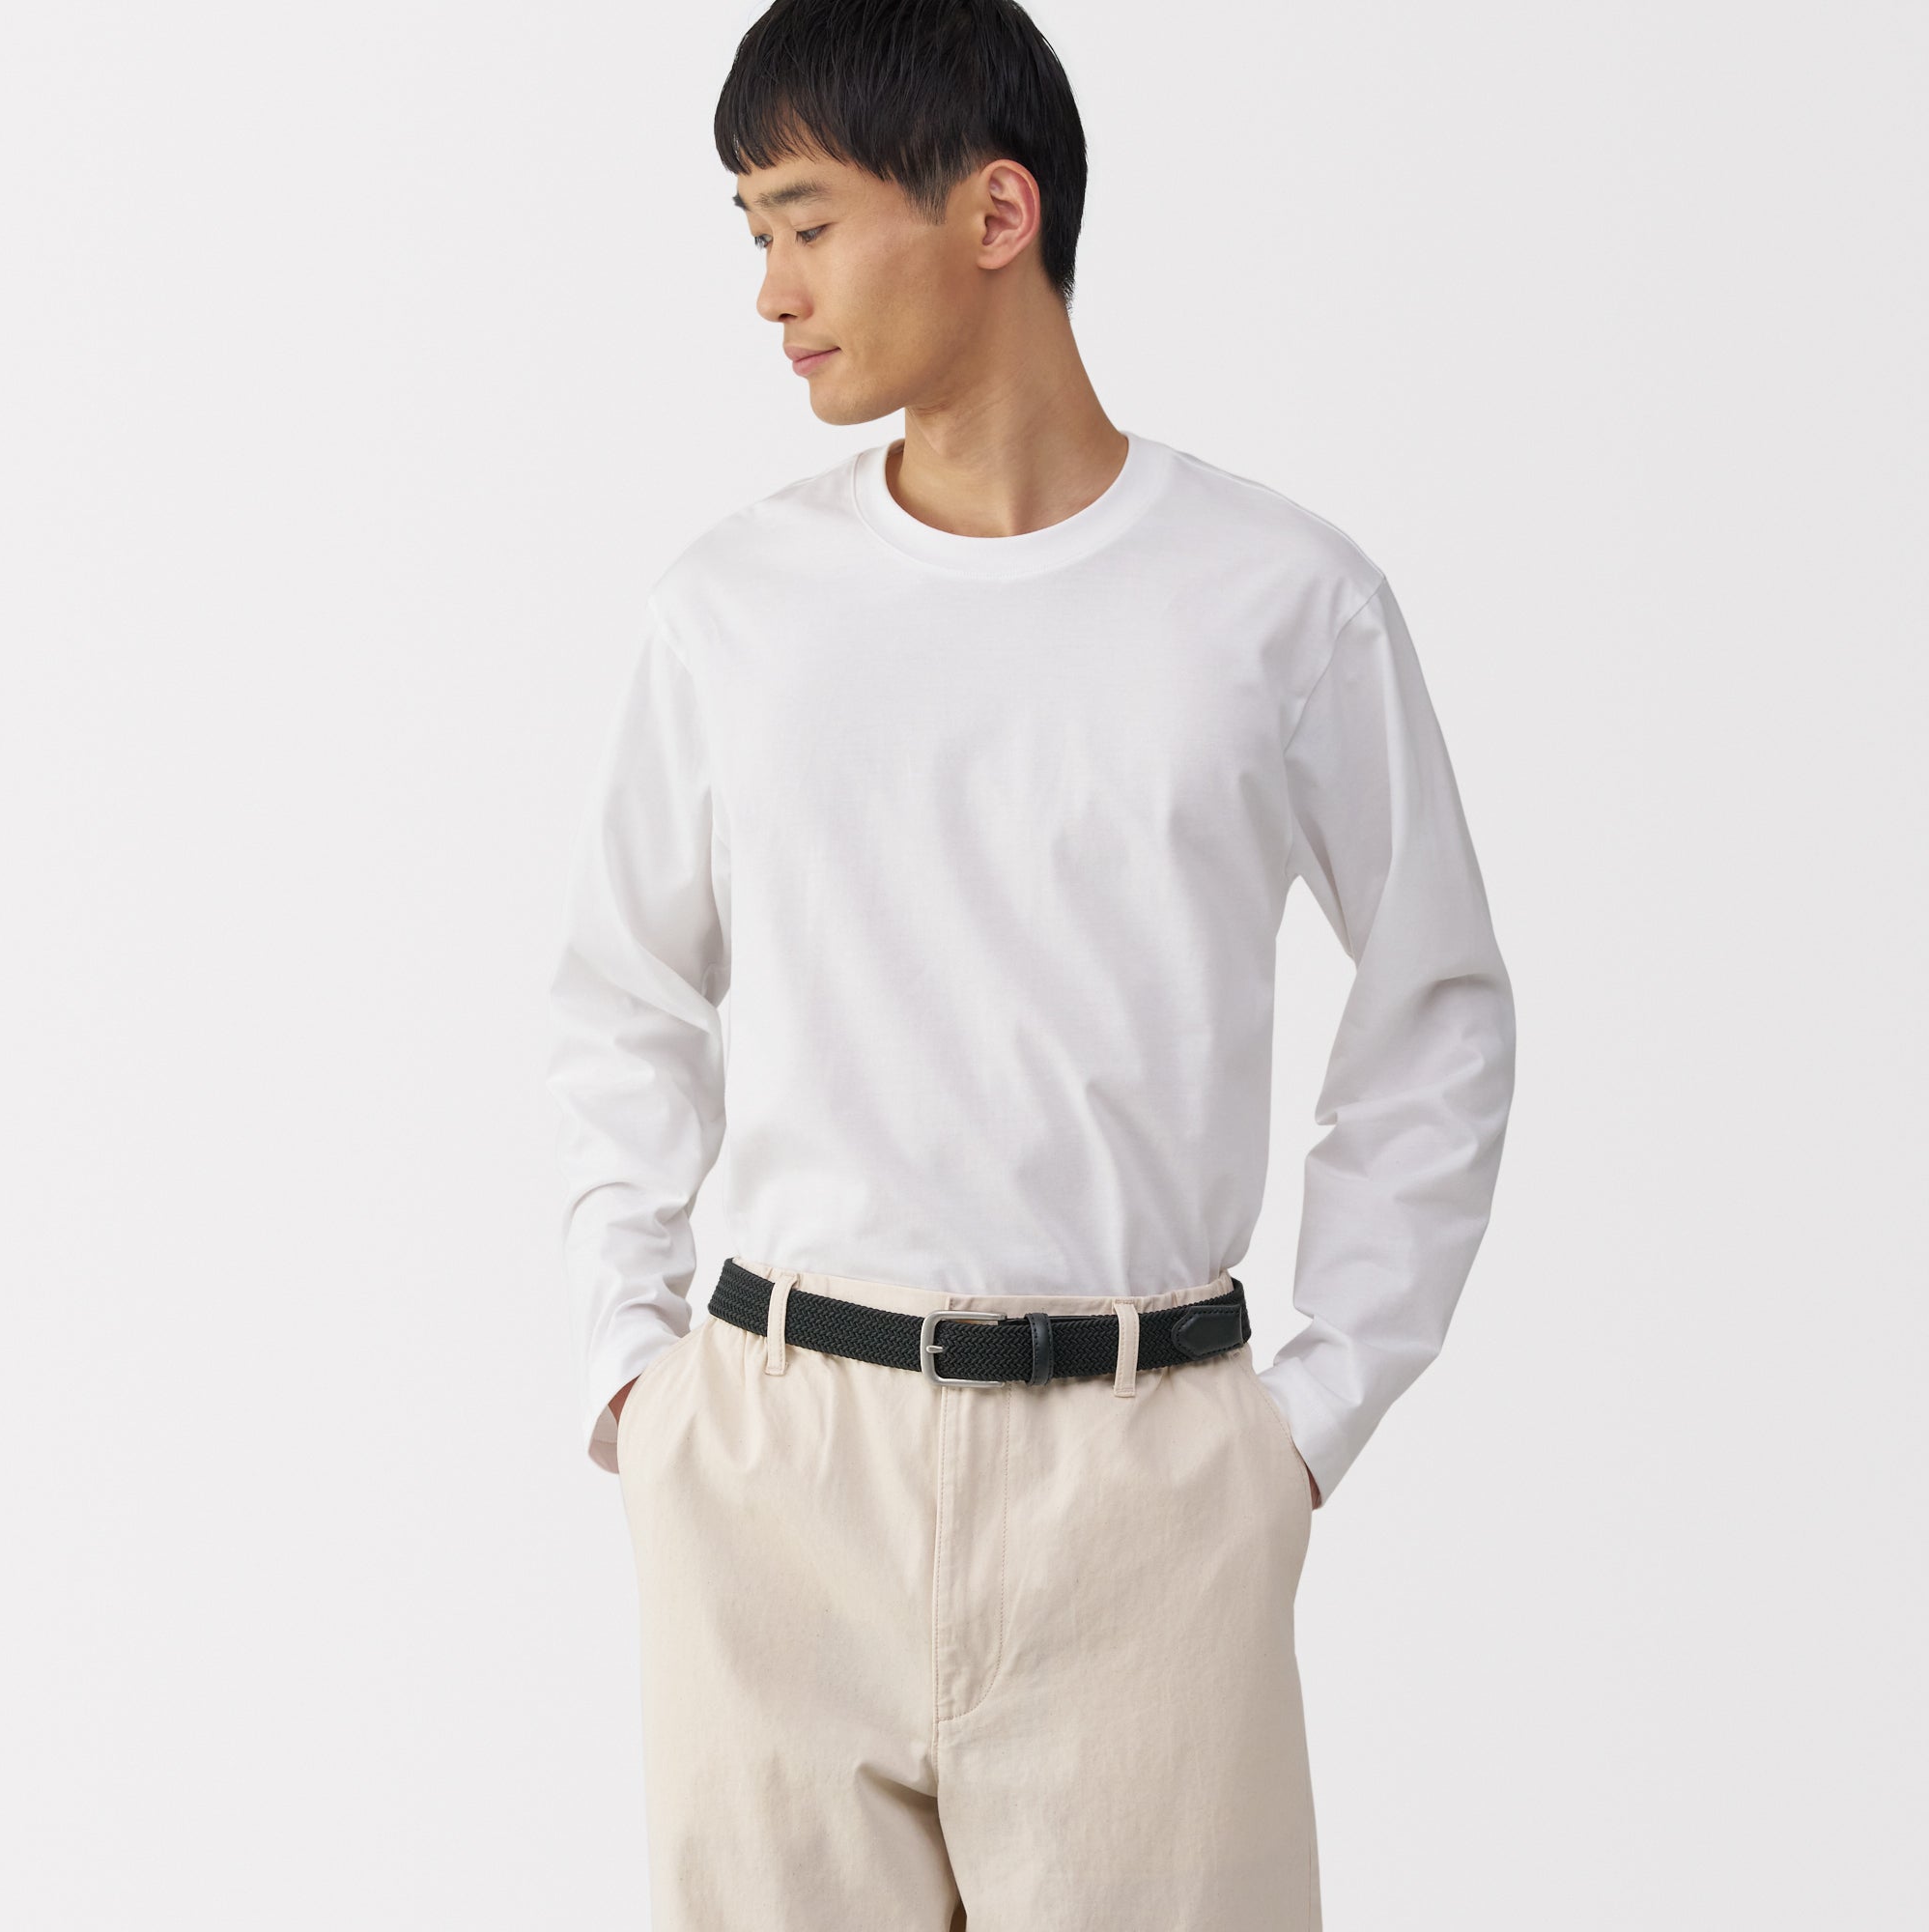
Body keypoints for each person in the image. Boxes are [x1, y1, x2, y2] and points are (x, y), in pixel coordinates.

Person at [544, 2, 1517, 1924]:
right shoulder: (732, 610)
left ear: (997, 213)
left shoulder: (1279, 599)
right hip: (775, 1469)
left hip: (1147, 1489)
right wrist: (635, 1381)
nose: (770, 292)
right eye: (753, 232)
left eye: (805, 223)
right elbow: (623, 995)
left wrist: (1308, 1422)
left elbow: (1437, 1010)